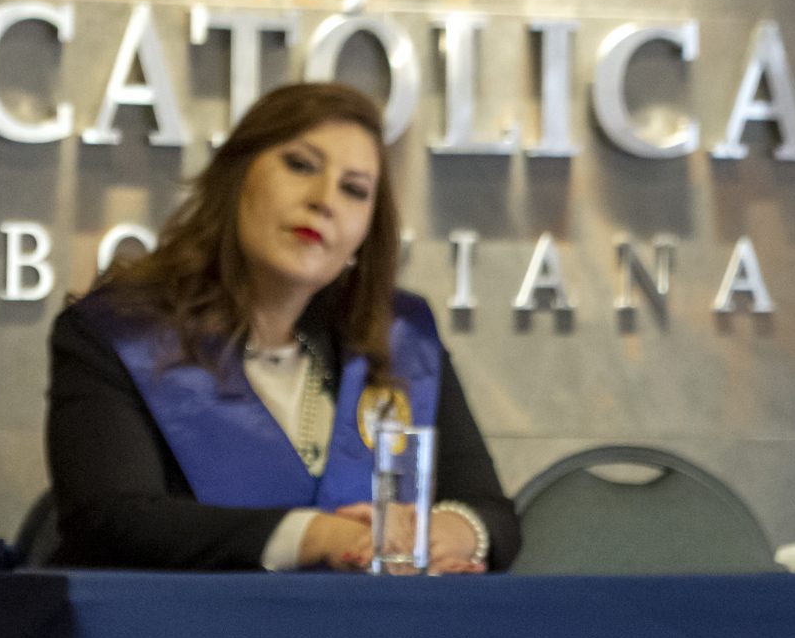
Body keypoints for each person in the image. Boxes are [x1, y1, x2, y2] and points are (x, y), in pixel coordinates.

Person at [45, 82, 521, 573]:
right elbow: (110, 521)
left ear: (366, 230)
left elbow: (494, 515)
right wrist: (316, 536)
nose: (324, 201)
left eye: (354, 190)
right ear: (236, 176)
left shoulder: (400, 337)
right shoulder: (118, 335)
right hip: (180, 619)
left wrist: (452, 532)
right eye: (301, 165)